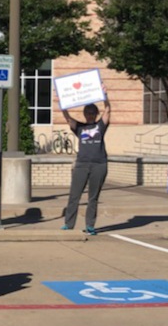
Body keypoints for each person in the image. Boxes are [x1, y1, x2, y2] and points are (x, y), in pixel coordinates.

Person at [60, 101, 111, 236]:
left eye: (92, 113)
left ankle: (90, 225)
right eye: (88, 113)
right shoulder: (80, 127)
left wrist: (105, 96)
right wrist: (63, 102)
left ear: (96, 114)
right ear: (84, 114)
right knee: (74, 196)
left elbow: (108, 110)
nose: (90, 115)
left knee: (93, 197)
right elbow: (67, 118)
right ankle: (68, 224)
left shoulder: (100, 126)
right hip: (82, 164)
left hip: (99, 164)